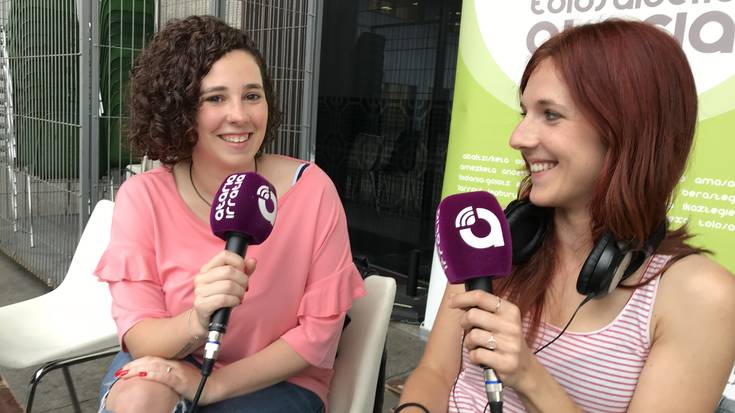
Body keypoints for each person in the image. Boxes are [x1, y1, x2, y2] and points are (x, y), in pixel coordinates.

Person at [397, 19, 735, 413]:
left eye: (551, 115)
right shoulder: (494, 239)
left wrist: (529, 376)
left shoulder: (702, 296)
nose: (518, 138)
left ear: (627, 130)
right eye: (524, 112)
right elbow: (435, 373)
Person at [94, 15, 365, 413]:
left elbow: (317, 336)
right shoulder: (143, 197)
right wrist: (198, 319)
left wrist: (212, 386)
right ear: (178, 109)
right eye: (216, 98)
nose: (240, 115)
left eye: (252, 95)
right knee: (139, 400)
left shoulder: (312, 191)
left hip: (277, 379)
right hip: (177, 354)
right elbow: (141, 335)